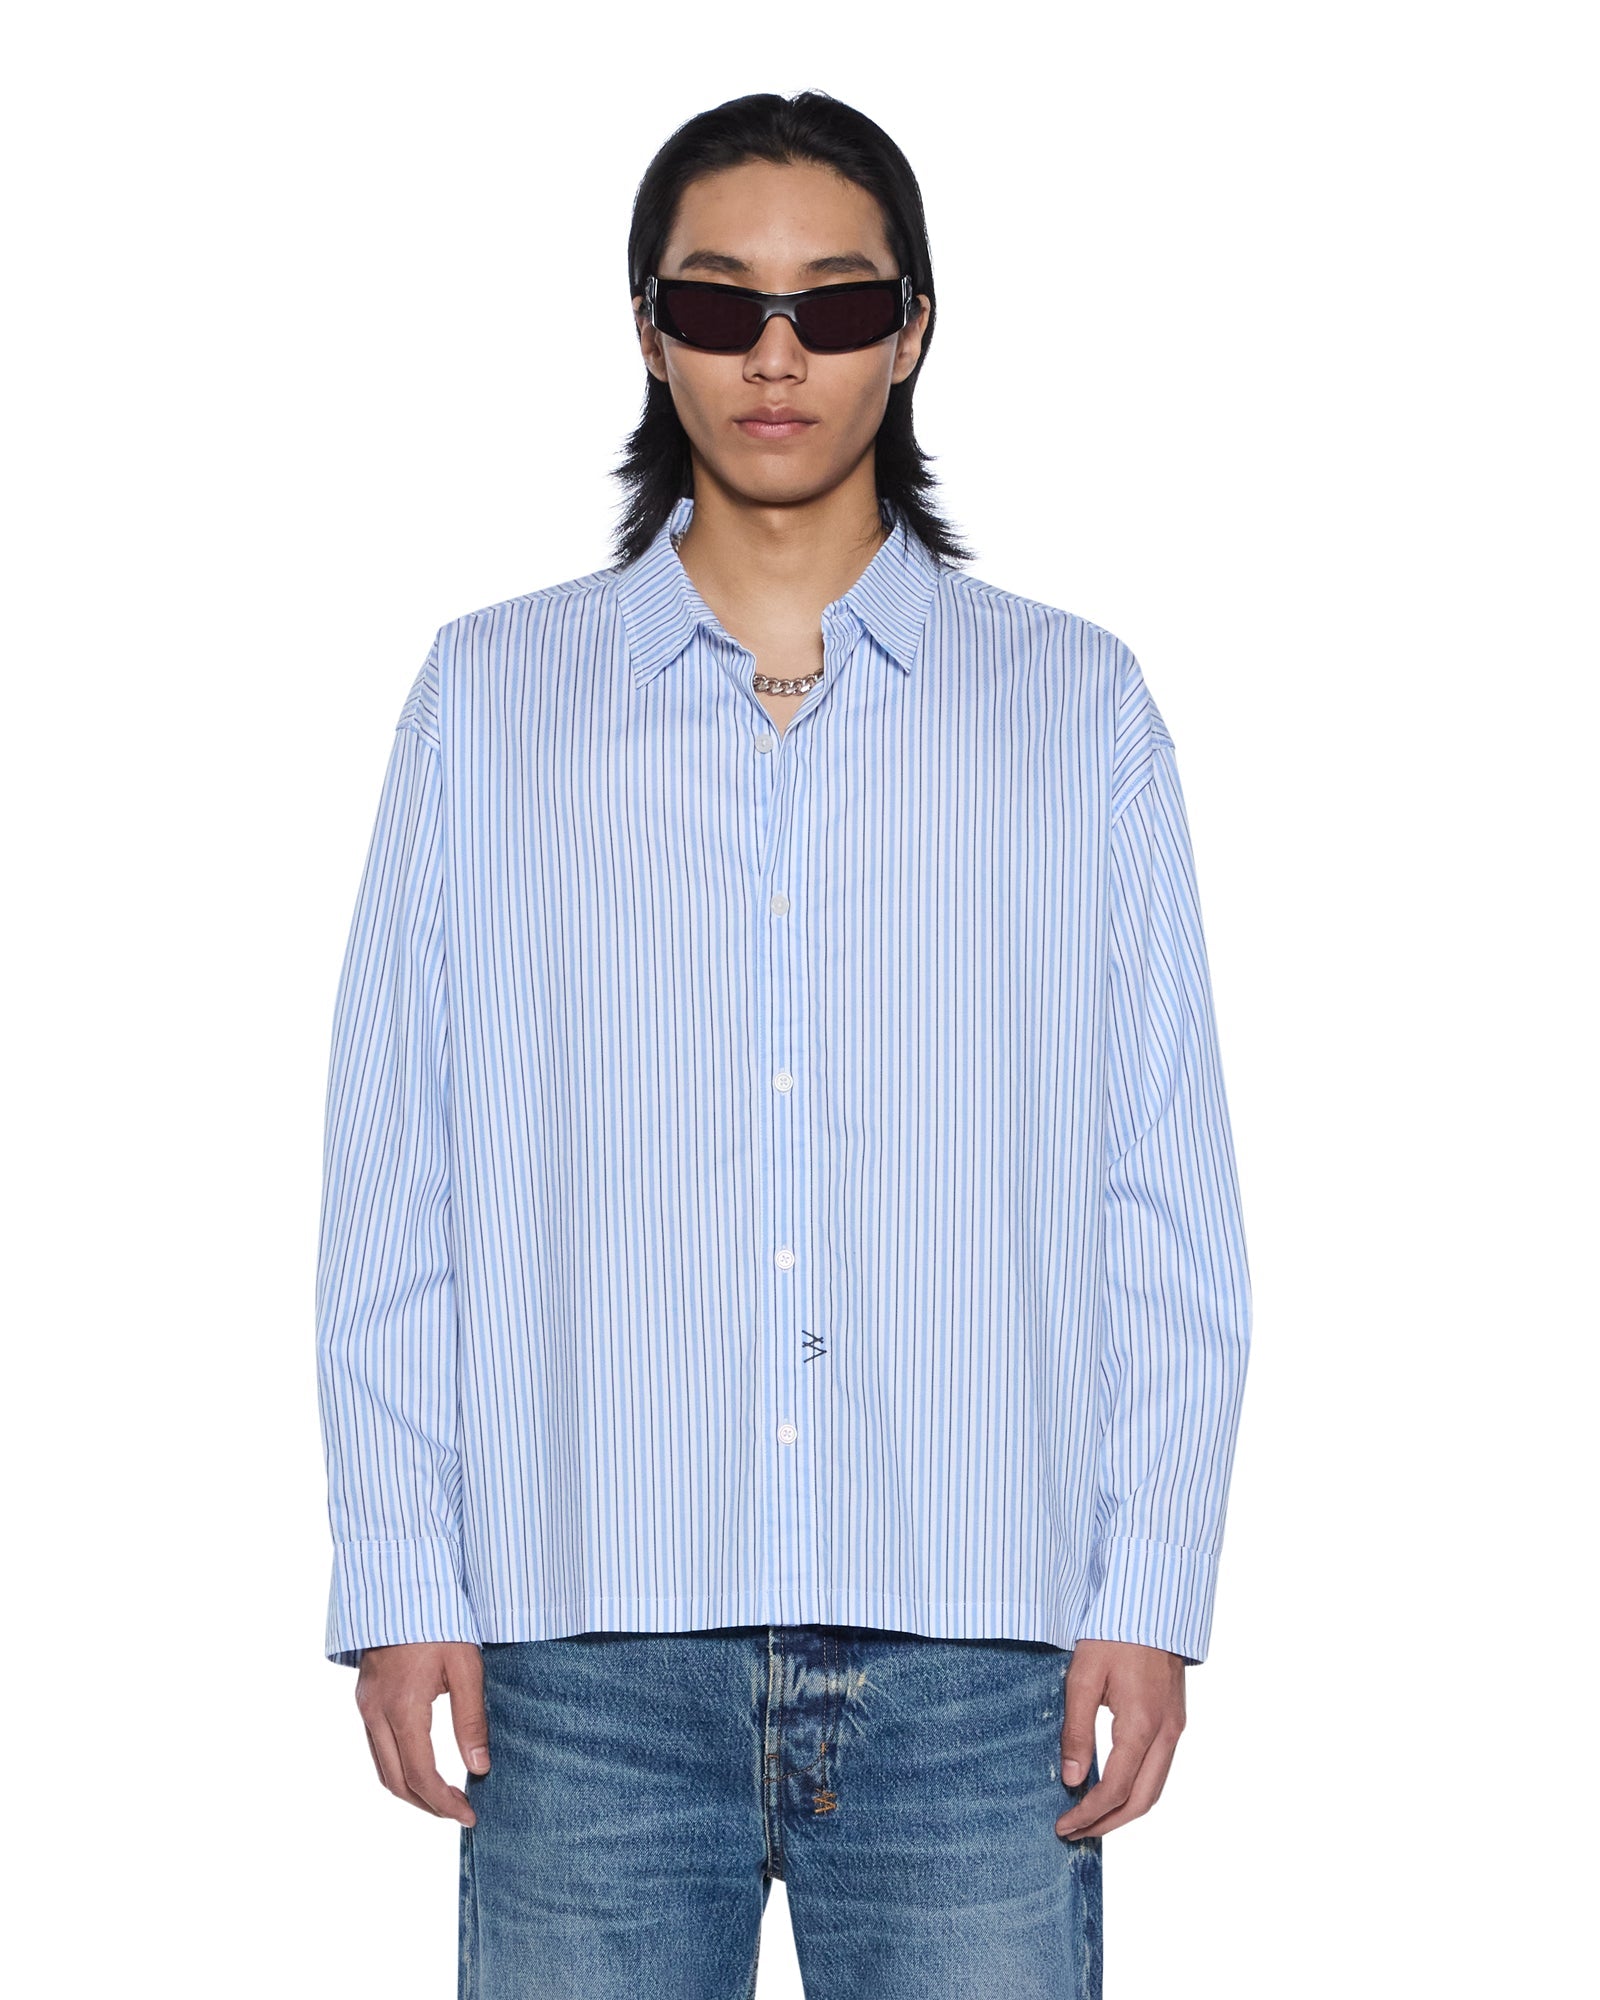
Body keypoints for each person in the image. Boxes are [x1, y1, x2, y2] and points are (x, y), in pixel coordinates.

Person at [315, 88, 1252, 2000]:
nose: (773, 354)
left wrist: (1151, 1587)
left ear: (910, 332)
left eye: (831, 306)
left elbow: (1159, 1182)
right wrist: (400, 1571)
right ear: (646, 330)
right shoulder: (490, 700)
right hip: (582, 1655)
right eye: (717, 302)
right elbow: (396, 1167)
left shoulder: (1072, 709)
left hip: (976, 1657)